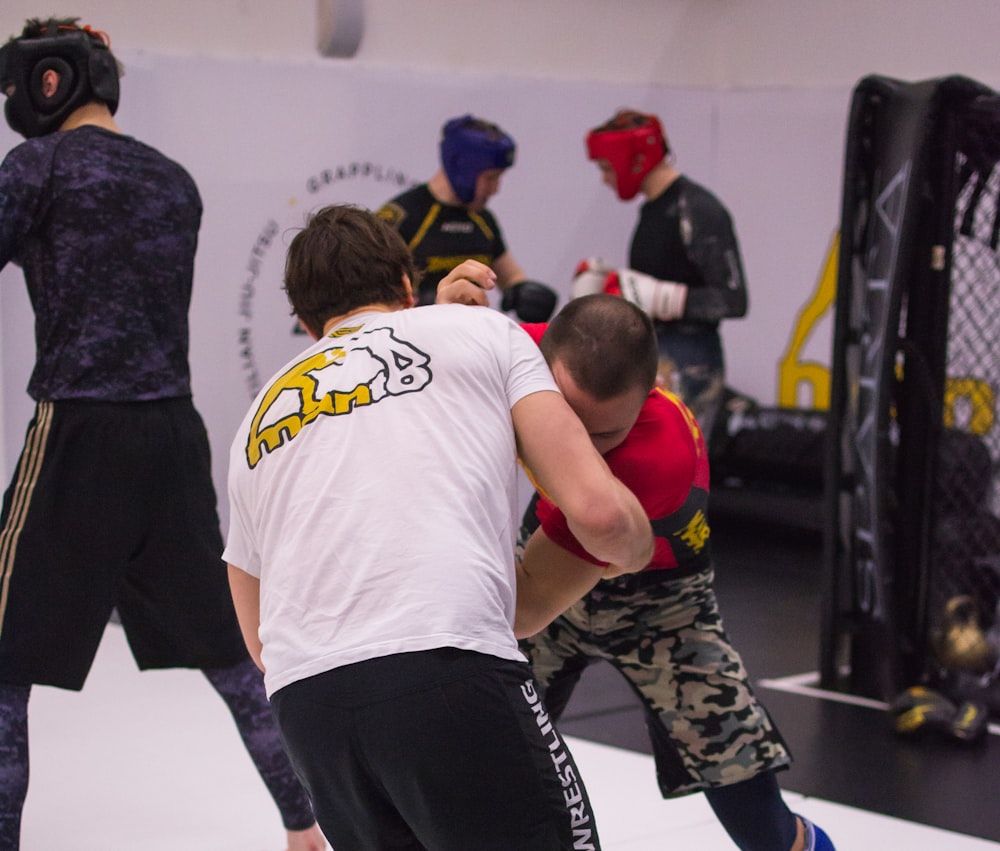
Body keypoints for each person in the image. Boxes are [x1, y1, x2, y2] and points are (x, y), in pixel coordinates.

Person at [223, 204, 655, 849]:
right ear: (405, 283)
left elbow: (259, 639)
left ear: (307, 323)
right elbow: (598, 515)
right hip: (445, 664)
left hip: (308, 709)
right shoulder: (483, 333)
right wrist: (640, 541)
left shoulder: (257, 417)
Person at [0, 19, 323, 850]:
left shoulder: (39, 167)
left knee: (1, 662)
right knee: (230, 654)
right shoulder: (174, 181)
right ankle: (308, 829)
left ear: (50, 80)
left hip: (78, 428)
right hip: (173, 437)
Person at [437, 280, 834, 851]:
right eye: (565, 420)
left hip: (660, 600)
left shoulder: (656, 455)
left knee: (751, 801)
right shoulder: (518, 350)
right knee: (467, 761)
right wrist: (444, 319)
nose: (581, 450)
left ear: (654, 390)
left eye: (604, 434)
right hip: (553, 542)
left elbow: (525, 607)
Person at [573, 108, 749, 442]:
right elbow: (653, 285)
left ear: (634, 160)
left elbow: (732, 300)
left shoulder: (696, 208)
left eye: (607, 168)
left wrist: (658, 297)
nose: (605, 179)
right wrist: (609, 286)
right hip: (653, 360)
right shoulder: (652, 209)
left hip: (691, 365)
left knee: (679, 478)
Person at [376, 113, 558, 322]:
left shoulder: (483, 220)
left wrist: (524, 294)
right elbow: (366, 296)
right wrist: (416, 306)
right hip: (413, 346)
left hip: (471, 343)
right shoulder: (402, 217)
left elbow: (512, 278)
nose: (496, 189)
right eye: (491, 177)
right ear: (462, 167)